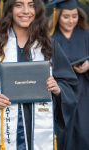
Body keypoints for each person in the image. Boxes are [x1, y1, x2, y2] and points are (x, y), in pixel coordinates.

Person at [0, 0, 78, 149]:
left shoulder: (49, 46)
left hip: (42, 129)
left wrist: (58, 89)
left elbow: (70, 84)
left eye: (31, 5)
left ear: (37, 9)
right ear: (9, 9)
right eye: (19, 5)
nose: (26, 11)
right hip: (5, 130)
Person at [49, 0, 89, 149]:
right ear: (57, 16)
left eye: (74, 16)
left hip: (84, 92)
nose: (71, 20)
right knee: (62, 134)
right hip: (61, 93)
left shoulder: (85, 35)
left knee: (84, 133)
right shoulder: (50, 38)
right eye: (66, 16)